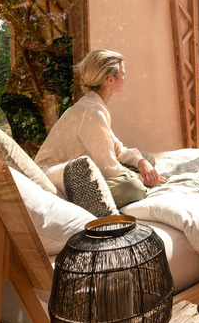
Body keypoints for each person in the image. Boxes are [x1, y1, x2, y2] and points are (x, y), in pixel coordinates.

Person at [35, 49, 165, 207]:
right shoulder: (91, 112)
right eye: (123, 74)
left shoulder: (93, 105)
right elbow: (108, 168)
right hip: (60, 181)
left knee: (147, 159)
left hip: (79, 172)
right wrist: (144, 180)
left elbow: (117, 149)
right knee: (131, 188)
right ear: (110, 80)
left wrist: (141, 161)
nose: (125, 78)